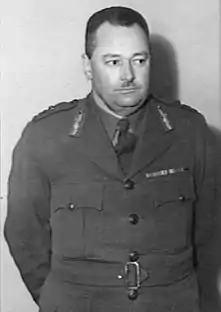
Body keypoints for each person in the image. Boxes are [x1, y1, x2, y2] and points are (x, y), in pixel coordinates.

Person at [4, 6, 220, 312]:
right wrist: (59, 300)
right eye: (113, 61)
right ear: (88, 66)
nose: (128, 75)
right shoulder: (45, 137)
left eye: (139, 60)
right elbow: (23, 233)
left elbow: (208, 232)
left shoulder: (190, 132)